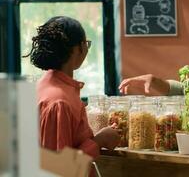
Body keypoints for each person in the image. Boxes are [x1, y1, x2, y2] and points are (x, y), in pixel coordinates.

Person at [25, 16, 119, 164]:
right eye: (86, 44)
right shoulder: (59, 102)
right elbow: (58, 168)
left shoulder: (41, 87)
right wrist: (99, 141)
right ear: (79, 48)